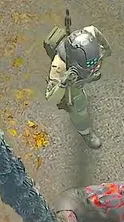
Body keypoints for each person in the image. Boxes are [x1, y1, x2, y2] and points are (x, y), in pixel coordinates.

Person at [44, 11, 111, 150]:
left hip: (84, 75)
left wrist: (106, 49)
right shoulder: (59, 67)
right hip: (73, 85)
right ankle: (85, 132)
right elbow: (50, 98)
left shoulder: (89, 34)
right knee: (78, 107)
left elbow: (94, 30)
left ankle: (89, 77)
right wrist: (63, 83)